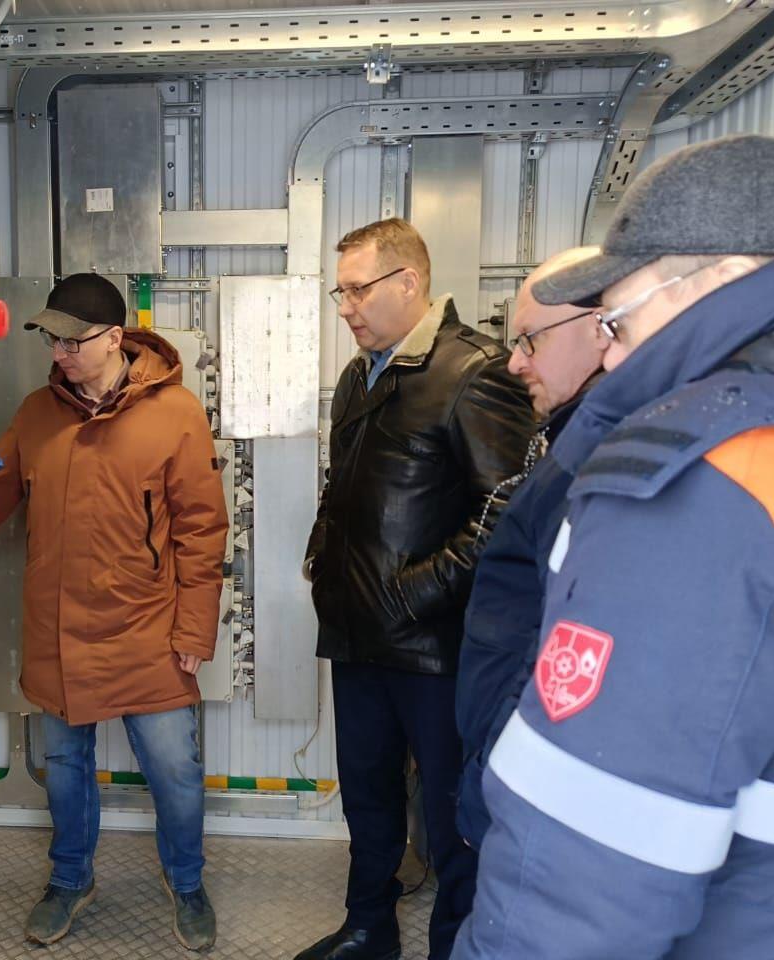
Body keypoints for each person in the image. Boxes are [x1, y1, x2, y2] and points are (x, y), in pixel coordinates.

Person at [453, 134, 774, 959]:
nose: (609, 351)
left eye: (617, 319)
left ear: (720, 277)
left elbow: (582, 877)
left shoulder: (705, 488)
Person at [0, 273, 229, 952]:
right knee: (65, 770)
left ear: (116, 338)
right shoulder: (39, 415)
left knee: (176, 772)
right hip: (60, 630)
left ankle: (187, 882)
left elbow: (201, 528)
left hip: (147, 630)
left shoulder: (176, 413)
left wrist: (194, 627)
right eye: (52, 340)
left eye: (73, 341)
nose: (60, 353)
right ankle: (71, 879)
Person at [295, 218, 536, 960]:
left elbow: (508, 508)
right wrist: (321, 554)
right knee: (367, 798)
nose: (345, 307)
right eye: (340, 293)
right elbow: (343, 487)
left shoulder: (473, 372)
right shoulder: (357, 376)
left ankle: (452, 947)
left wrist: (412, 594)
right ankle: (368, 928)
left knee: (451, 812)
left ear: (408, 283)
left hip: (435, 648)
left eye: (357, 290)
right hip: (356, 634)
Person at [454, 246, 609, 848]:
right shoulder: (571, 444)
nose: (515, 363)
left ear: (599, 327)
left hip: (523, 775)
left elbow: (557, 647)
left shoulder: (598, 463)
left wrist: (492, 775)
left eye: (530, 341)